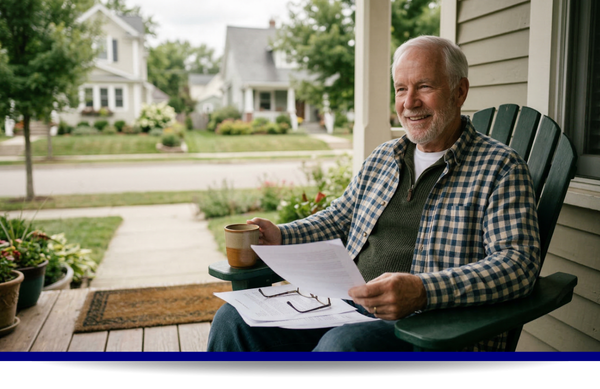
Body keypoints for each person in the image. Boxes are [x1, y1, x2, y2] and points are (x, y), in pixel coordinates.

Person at [207, 36, 541, 352]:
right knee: (232, 321)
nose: (409, 103)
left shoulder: (501, 168)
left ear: (459, 91)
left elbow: (518, 264)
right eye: (401, 89)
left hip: (428, 327)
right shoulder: (385, 157)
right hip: (342, 307)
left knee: (341, 347)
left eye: (424, 86)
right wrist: (281, 234)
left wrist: (424, 291)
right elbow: (340, 217)